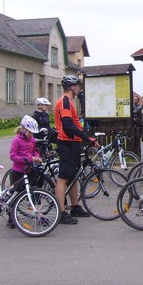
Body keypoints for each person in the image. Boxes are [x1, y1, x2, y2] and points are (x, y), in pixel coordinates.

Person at [54, 75, 99, 225]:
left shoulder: (70, 101)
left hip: (73, 143)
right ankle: (61, 213)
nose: (79, 88)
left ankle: (75, 207)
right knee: (63, 178)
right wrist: (86, 137)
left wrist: (83, 138)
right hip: (66, 143)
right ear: (72, 87)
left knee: (73, 177)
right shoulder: (65, 101)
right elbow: (68, 125)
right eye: (77, 86)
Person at [4, 115, 43, 228]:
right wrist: (28, 159)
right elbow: (13, 156)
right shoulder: (16, 140)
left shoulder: (32, 139)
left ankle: (38, 215)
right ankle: (11, 217)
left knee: (34, 192)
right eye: (29, 132)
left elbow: (34, 152)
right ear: (23, 129)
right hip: (18, 171)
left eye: (32, 133)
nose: (31, 135)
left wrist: (37, 157)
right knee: (15, 194)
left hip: (30, 170)